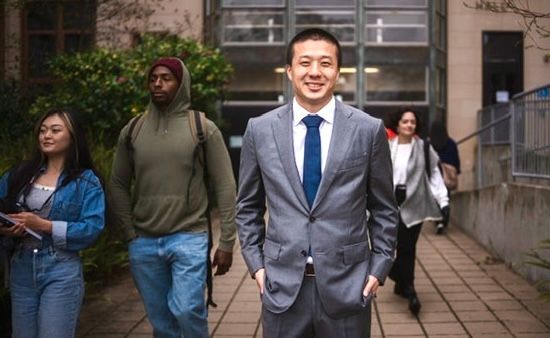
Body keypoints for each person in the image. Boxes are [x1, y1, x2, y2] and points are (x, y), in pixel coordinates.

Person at [236, 28, 398, 338]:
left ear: (338, 72)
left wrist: (378, 268)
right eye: (305, 62)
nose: (314, 72)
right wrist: (257, 266)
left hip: (349, 287)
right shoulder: (259, 130)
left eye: (325, 63)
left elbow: (384, 208)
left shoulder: (368, 130)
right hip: (281, 287)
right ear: (289, 70)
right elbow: (247, 206)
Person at [108, 57, 237, 338]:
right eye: (153, 78)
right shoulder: (132, 130)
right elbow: (117, 183)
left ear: (181, 84)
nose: (158, 83)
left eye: (166, 78)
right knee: (161, 320)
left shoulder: (202, 127)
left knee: (187, 309)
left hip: (189, 237)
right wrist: (129, 232)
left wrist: (227, 241)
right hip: (143, 240)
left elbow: (226, 184)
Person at [0, 108, 105, 338]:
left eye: (55, 130)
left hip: (61, 269)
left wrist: (44, 225)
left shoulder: (86, 181)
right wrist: (7, 229)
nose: (46, 135)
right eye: (43, 130)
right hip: (22, 268)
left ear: (73, 136)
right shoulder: (19, 173)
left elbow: (93, 227)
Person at [386, 108, 449, 316]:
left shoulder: (424, 147)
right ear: (397, 124)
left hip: (415, 203)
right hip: (391, 204)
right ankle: (400, 282)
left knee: (407, 247)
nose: (409, 125)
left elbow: (434, 176)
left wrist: (444, 202)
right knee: (398, 246)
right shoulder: (387, 147)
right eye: (405, 121)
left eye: (412, 122)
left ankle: (410, 290)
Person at [429, 119, 461, 234]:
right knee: (446, 196)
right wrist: (456, 171)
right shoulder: (451, 143)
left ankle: (438, 220)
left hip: (434, 174)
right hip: (447, 175)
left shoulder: (430, 143)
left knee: (436, 197)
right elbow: (455, 160)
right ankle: (444, 219)